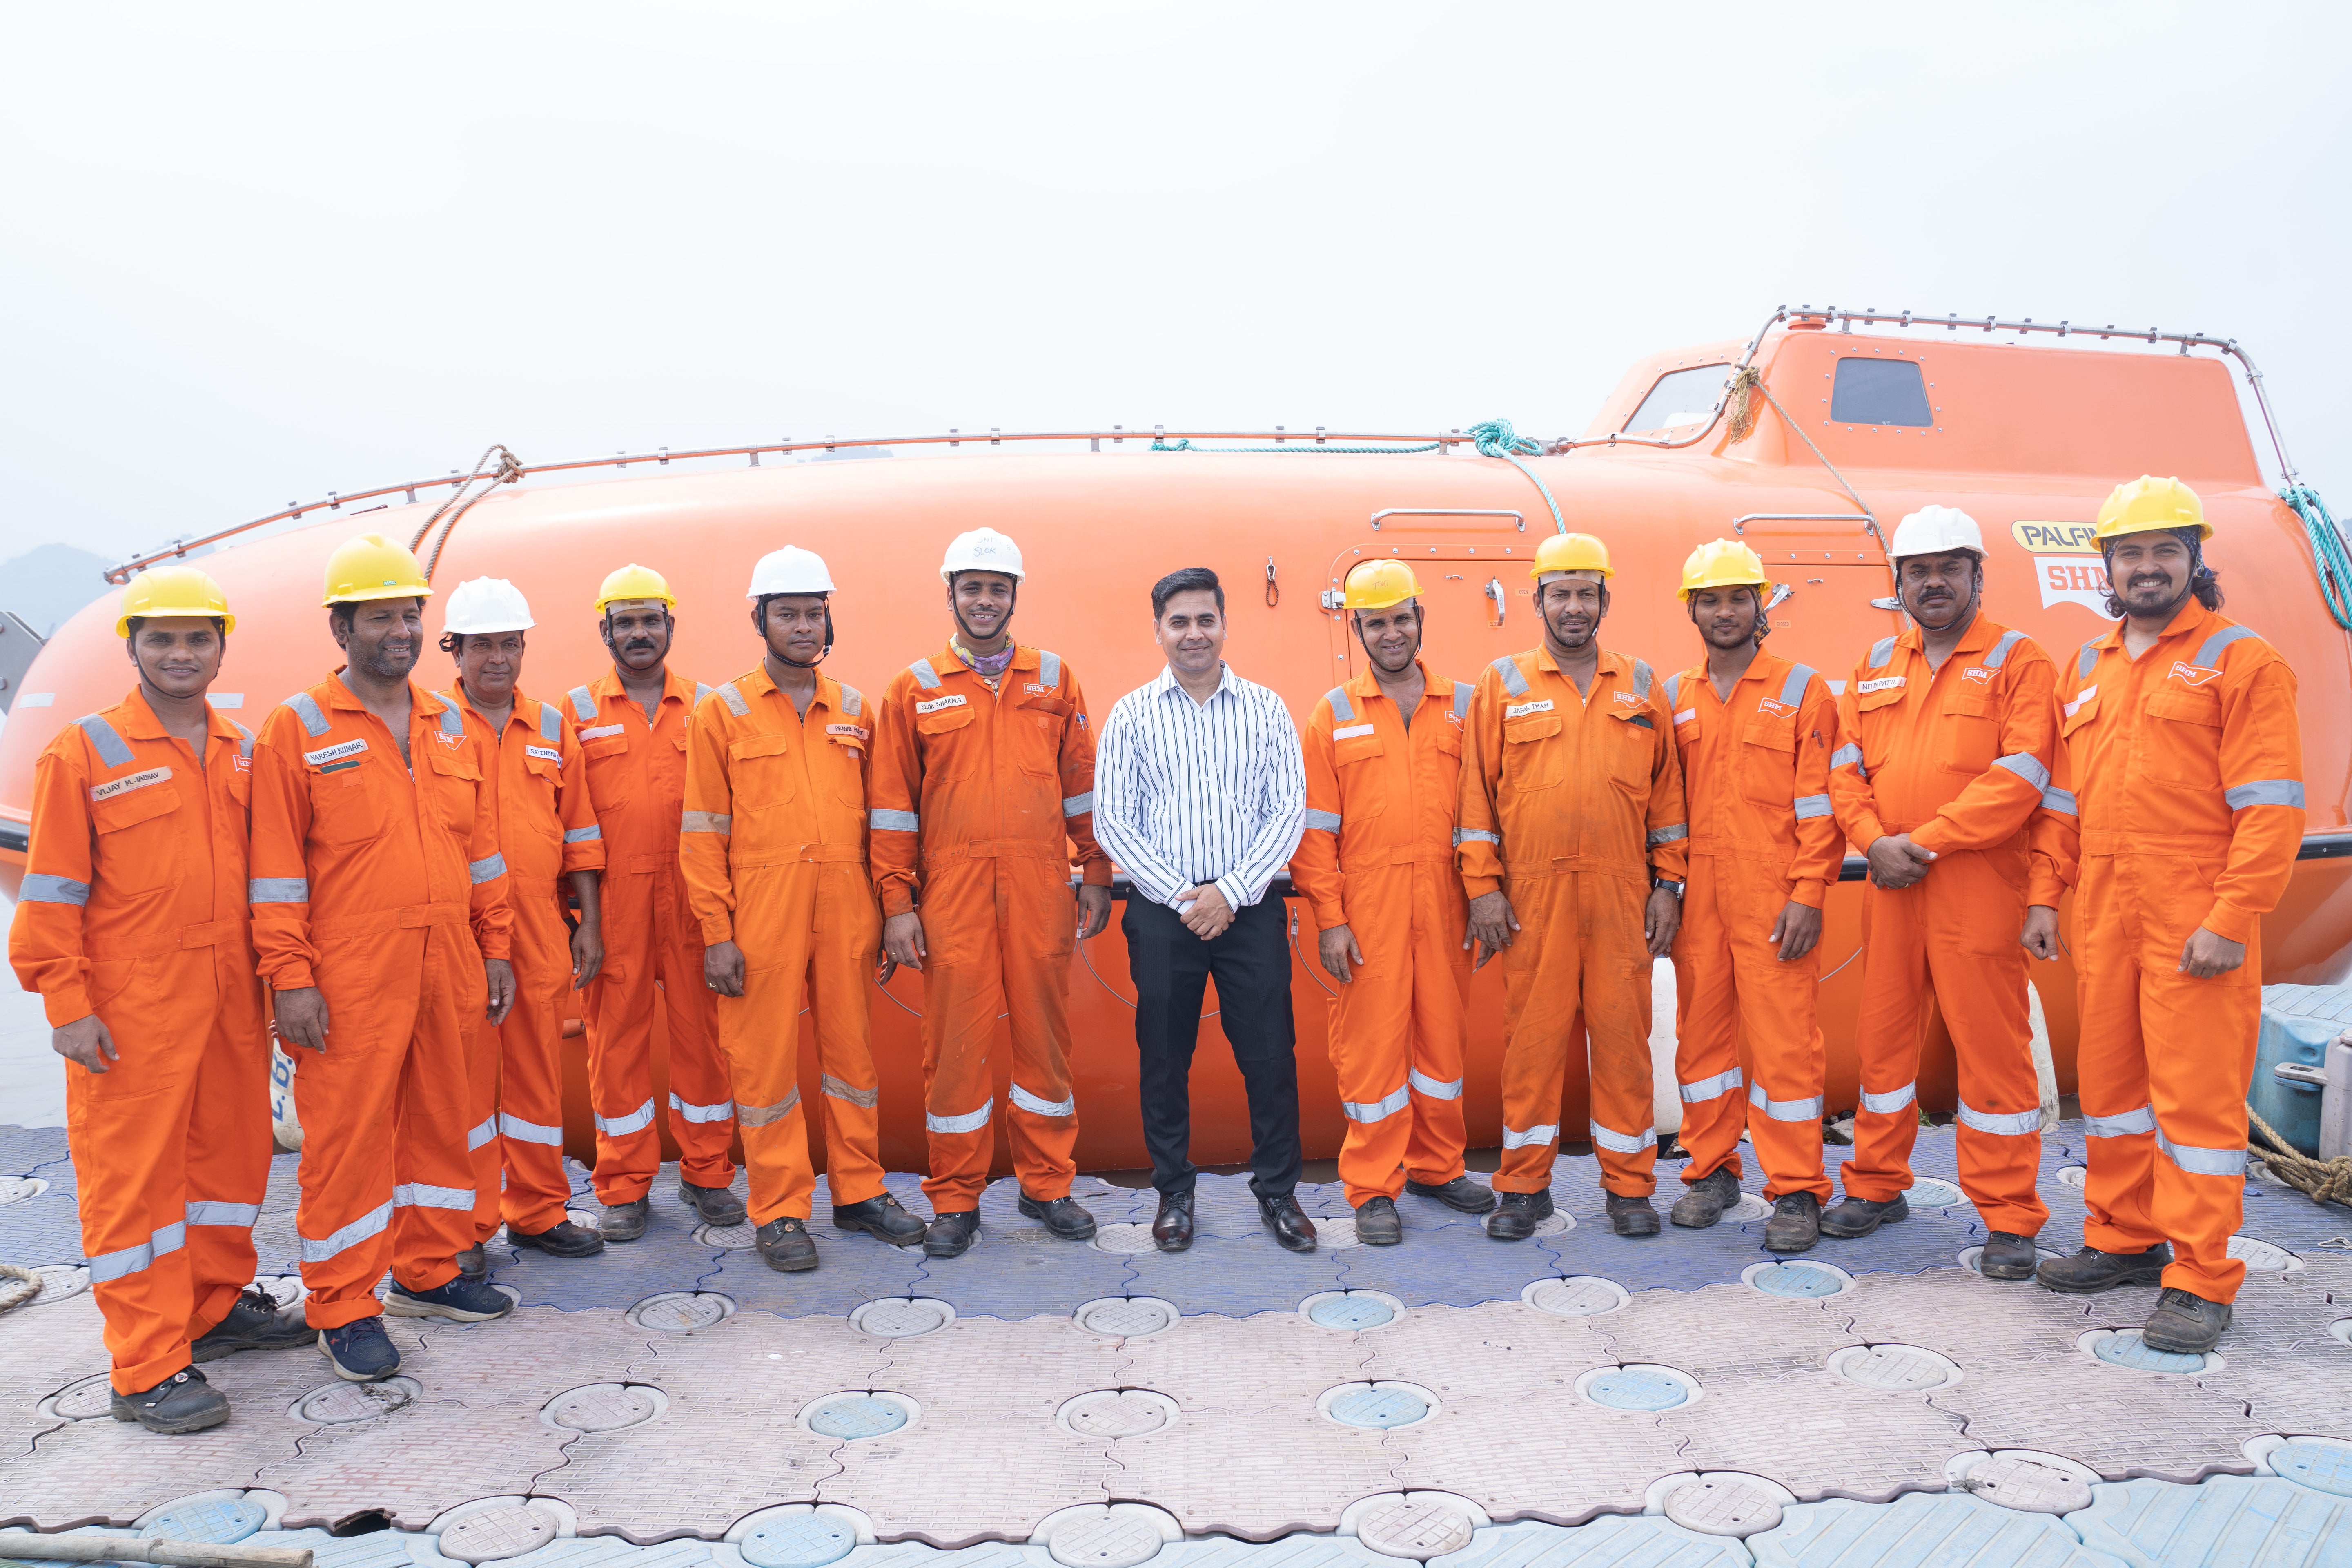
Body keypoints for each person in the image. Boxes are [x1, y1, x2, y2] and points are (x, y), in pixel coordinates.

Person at [9, 568, 307, 1434]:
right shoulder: (85, 753)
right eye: (163, 640)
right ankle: (143, 1367)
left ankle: (212, 1310)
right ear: (132, 646)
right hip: (130, 1008)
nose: (181, 654)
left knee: (229, 1167)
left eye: (198, 639)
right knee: (133, 1189)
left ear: (221, 646)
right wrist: (66, 1002)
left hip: (227, 1002)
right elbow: (53, 894)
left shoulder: (241, 750)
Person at [2026, 476, 2303, 1353]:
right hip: (2107, 911)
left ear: (2194, 559)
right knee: (2111, 1095)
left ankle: (2200, 1276)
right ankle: (2122, 1236)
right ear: (2106, 567)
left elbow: (2272, 807)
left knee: (2196, 1105)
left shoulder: (2243, 661)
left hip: (2196, 915)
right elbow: (2065, 800)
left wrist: (2231, 918)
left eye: (2163, 552)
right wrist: (2045, 893)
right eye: (2130, 554)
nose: (2146, 568)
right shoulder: (2087, 666)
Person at [248, 534, 519, 1383]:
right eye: (381, 617)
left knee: (447, 1119)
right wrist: (290, 978)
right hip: (352, 972)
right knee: (348, 1143)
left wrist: (498, 944)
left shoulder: (447, 723)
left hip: (450, 960)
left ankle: (429, 1271)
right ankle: (343, 1304)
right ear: (342, 627)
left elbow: (481, 851)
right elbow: (276, 872)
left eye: (410, 615)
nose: (400, 631)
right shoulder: (297, 729)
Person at [1825, 506, 2059, 1277]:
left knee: (1992, 1054)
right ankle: (1877, 1184)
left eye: (1949, 568)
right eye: (1918, 571)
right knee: (1884, 1043)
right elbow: (1844, 771)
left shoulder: (2021, 661)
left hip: (1976, 887)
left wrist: (1923, 842)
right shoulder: (1874, 665)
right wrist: (1871, 844)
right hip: (1892, 884)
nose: (1933, 582)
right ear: (1898, 583)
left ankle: (2010, 1217)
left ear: (1977, 576)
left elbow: (2023, 776)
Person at [869, 528, 1113, 1258]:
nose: (984, 600)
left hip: (1041, 886)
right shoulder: (914, 687)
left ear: (1015, 597)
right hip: (952, 893)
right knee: (955, 1049)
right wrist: (897, 905)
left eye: (997, 588)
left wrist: (1094, 870)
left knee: (1046, 1041)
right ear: (950, 595)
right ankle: (955, 1198)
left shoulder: (1055, 678)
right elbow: (891, 808)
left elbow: (1082, 786)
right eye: (971, 588)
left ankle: (1048, 1187)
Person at [681, 546, 925, 1271]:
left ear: (828, 619)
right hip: (761, 914)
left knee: (853, 1057)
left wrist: (888, 907)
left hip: (847, 905)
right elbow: (702, 830)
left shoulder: (853, 709)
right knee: (764, 1069)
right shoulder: (721, 712)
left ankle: (859, 1192)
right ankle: (782, 1210)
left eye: (813, 612)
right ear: (759, 620)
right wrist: (717, 933)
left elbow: (883, 821)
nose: (802, 625)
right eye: (786, 613)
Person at [1459, 532, 1687, 1241]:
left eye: (1587, 593)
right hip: (1533, 899)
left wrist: (1668, 884)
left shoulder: (1642, 685)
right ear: (1538, 601)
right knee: (1532, 1043)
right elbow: (1477, 801)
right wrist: (1483, 890)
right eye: (1560, 594)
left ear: (1605, 601)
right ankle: (1524, 1189)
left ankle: (1629, 1188)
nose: (1574, 607)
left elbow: (1667, 800)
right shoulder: (1503, 682)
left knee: (1625, 1042)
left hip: (1623, 895)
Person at [1093, 567, 1311, 1253]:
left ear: (1224, 624)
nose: (1194, 634)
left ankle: (1278, 1192)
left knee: (1271, 1054)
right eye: (1179, 622)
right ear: (1158, 631)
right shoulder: (1131, 714)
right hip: (1165, 911)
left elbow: (1288, 811)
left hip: (1249, 907)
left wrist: (1232, 891)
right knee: (1164, 1055)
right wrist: (1188, 897)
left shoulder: (1268, 709)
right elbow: (1114, 821)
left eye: (1205, 620)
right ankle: (1174, 1195)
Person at [1289, 559, 1492, 1245]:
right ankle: (1375, 1187)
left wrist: (1484, 893)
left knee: (1442, 1044)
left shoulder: (1466, 706)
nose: (1391, 633)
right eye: (1376, 623)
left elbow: (1489, 812)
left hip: (1446, 901)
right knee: (1371, 1054)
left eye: (1401, 618)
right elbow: (1315, 830)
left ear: (1421, 619)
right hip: (1369, 906)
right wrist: (1331, 919)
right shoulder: (1334, 714)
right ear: (1357, 628)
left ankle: (1438, 1166)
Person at [1661, 541, 1841, 1252]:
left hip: (1774, 893)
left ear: (1760, 604)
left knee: (1786, 1046)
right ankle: (1711, 1169)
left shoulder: (1802, 690)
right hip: (1699, 894)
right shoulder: (1675, 696)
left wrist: (1808, 893)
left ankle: (1796, 1187)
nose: (1726, 611)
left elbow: (1820, 805)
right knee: (1701, 1040)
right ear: (1693, 610)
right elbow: (1664, 806)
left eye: (1739, 597)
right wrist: (1668, 887)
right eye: (1711, 600)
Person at [567, 565, 744, 1240]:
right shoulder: (578, 714)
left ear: (670, 625)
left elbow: (731, 813)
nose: (639, 634)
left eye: (650, 621)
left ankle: (708, 1174)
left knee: (706, 1041)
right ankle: (624, 1184)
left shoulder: (707, 706)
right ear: (605, 630)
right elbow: (569, 819)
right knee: (616, 1045)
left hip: (695, 899)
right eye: (626, 622)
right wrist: (582, 915)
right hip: (615, 904)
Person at [437, 578, 608, 1265]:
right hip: (461, 929)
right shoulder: (432, 727)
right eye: (483, 646)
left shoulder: (551, 726)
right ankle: (470, 1226)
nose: (498, 660)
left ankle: (537, 1210)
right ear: (455, 651)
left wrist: (588, 923)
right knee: (468, 1084)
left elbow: (581, 832)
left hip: (538, 925)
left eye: (510, 644)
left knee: (536, 1077)